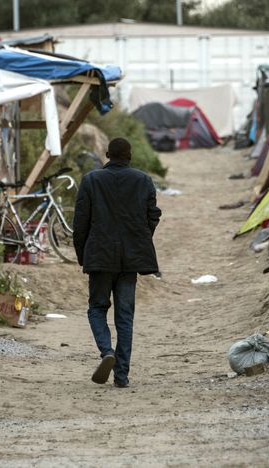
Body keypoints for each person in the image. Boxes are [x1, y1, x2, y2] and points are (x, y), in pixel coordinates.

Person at [73, 137, 162, 388]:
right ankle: (121, 375)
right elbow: (152, 216)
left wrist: (84, 255)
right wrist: (140, 240)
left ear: (107, 154)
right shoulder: (143, 180)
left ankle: (106, 352)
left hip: (100, 257)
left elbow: (80, 222)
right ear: (130, 155)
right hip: (130, 260)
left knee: (97, 308)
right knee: (125, 317)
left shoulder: (91, 180)